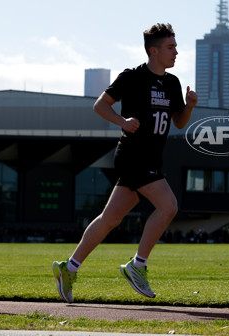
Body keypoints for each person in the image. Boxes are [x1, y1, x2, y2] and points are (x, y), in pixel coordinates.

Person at [52, 23, 198, 303]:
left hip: (152, 158)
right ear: (153, 51)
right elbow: (100, 105)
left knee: (110, 219)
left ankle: (68, 268)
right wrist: (123, 121)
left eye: (176, 47)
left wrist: (189, 106)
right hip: (133, 155)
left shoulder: (172, 83)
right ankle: (137, 265)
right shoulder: (132, 77)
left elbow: (178, 122)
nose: (176, 52)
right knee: (168, 206)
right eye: (171, 47)